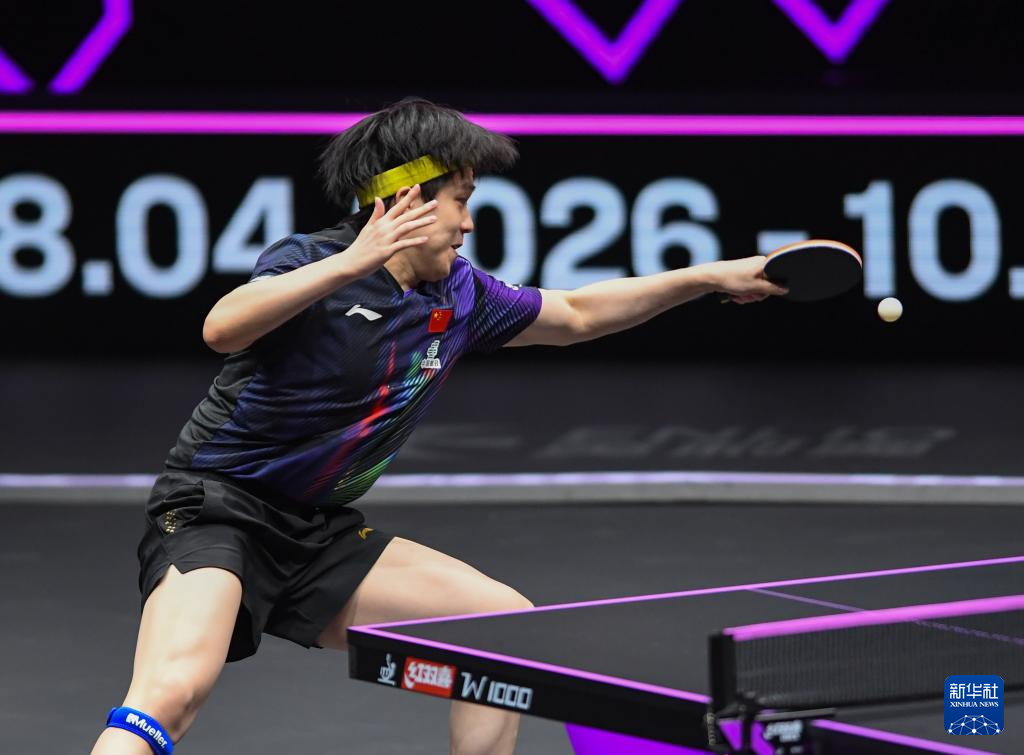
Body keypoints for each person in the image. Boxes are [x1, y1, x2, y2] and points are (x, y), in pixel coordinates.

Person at [91, 97, 785, 755]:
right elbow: (222, 327)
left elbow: (576, 314)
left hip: (316, 532)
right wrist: (353, 261)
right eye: (462, 200)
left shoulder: (460, 293)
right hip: (217, 511)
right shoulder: (311, 260)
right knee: (173, 691)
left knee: (501, 632)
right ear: (409, 201)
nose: (469, 223)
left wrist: (708, 277)